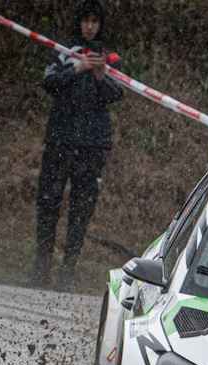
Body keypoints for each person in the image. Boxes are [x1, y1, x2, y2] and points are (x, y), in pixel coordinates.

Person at [28, 0, 123, 291]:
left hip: (92, 144)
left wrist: (100, 77)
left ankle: (67, 272)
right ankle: (41, 267)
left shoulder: (111, 58)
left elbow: (117, 94)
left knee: (81, 209)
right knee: (48, 202)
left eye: (95, 21)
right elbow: (49, 83)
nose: (90, 26)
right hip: (60, 139)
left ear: (101, 24)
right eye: (85, 20)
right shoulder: (63, 52)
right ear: (78, 23)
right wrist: (78, 69)